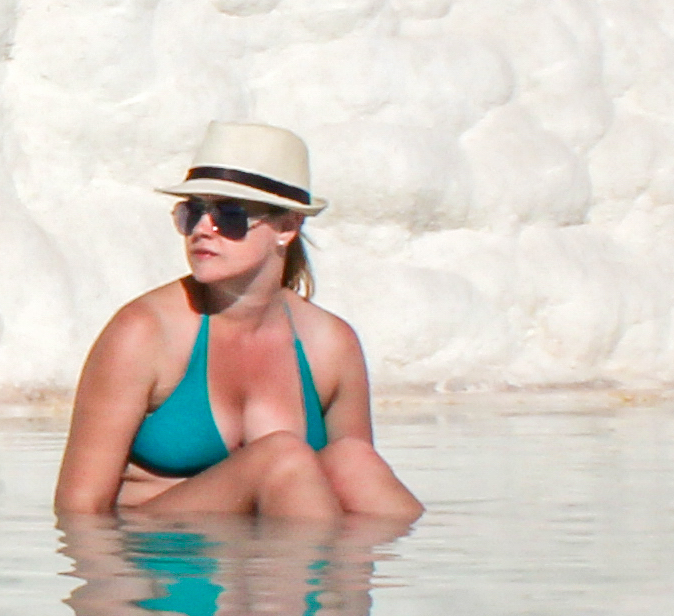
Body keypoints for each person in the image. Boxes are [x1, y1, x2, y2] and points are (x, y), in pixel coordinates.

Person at [52, 123, 421, 524]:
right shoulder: (145, 332)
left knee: (354, 461)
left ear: (287, 227)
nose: (201, 230)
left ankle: (413, 579)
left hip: (275, 558)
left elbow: (348, 498)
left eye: (229, 215)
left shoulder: (331, 344)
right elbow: (79, 511)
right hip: (163, 561)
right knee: (281, 458)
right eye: (191, 212)